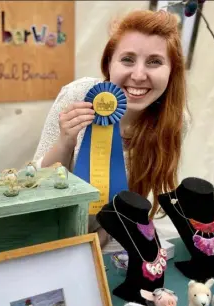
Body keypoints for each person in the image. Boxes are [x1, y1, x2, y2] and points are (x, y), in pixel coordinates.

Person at [33, 10, 191, 247]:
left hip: (103, 240)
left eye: (155, 62)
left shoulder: (175, 122)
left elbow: (136, 198)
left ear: (172, 71)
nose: (138, 75)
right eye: (127, 59)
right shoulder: (79, 95)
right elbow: (35, 184)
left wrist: (104, 236)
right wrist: (65, 142)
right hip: (44, 233)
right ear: (109, 63)